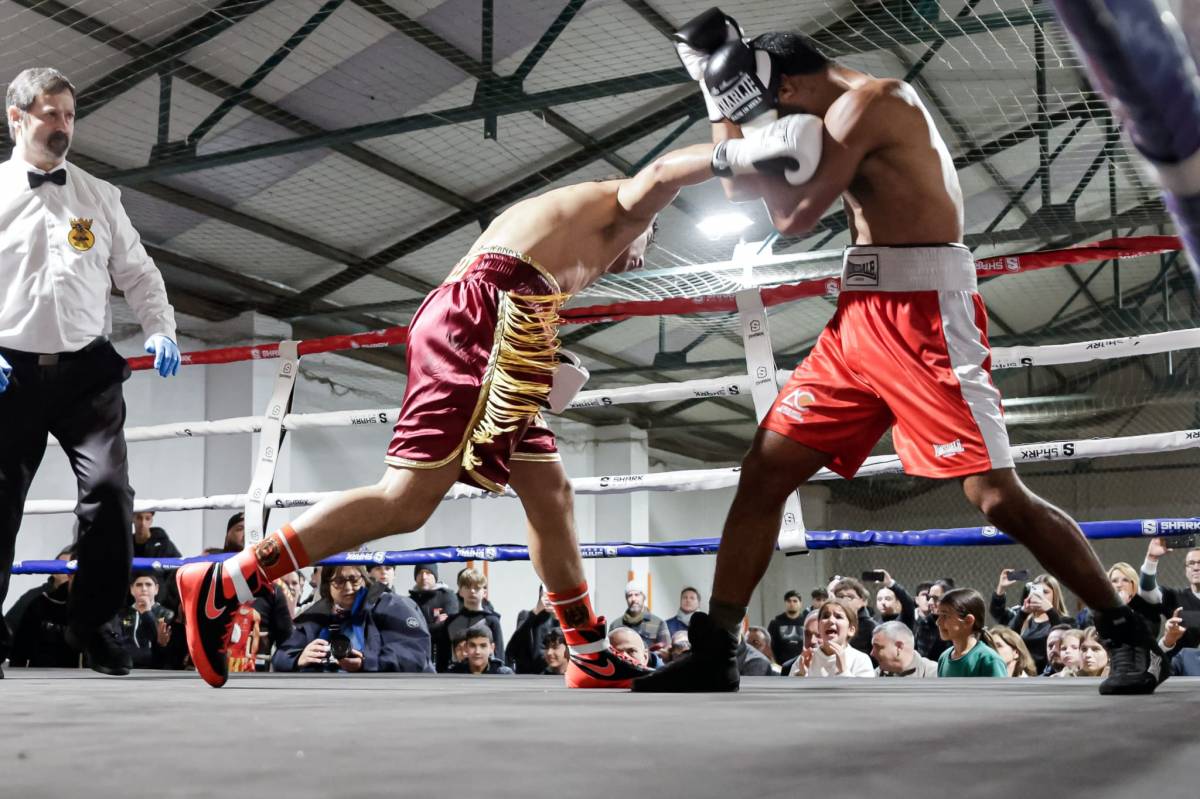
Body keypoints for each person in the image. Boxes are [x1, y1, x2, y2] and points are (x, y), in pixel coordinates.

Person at [634, 9, 1165, 696]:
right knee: (763, 470)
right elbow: (748, 189)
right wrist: (714, 98)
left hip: (926, 320)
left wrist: (721, 145)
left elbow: (791, 217)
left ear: (787, 87)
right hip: (858, 321)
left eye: (763, 104)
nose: (765, 117)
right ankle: (716, 648)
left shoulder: (873, 104)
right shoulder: (822, 118)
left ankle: (1130, 630)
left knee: (996, 496)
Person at [176, 127, 818, 689]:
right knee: (406, 500)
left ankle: (588, 651)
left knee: (549, 490)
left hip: (506, 328)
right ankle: (226, 581)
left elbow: (527, 286)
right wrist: (753, 150)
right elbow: (661, 173)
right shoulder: (623, 208)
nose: (641, 256)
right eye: (650, 239)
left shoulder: (567, 238)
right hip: (481, 321)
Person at [0, 67, 180, 678]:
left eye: (70, 115)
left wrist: (160, 328)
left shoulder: (100, 195)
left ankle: (96, 622)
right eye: (51, 114)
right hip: (8, 375)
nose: (63, 127)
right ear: (17, 117)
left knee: (110, 495)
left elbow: (139, 273)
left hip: (86, 372)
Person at [273, 565, 433, 674]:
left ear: (365, 579)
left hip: (390, 695)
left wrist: (366, 663)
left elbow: (415, 654)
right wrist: (298, 658)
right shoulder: (317, 613)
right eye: (339, 581)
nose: (348, 588)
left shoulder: (392, 606)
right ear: (327, 585)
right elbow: (282, 655)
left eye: (354, 579)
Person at [989, 572, 1070, 674]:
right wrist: (1023, 612)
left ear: (1055, 595)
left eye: (1045, 592)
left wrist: (1050, 611)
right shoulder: (1021, 616)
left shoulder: (1066, 621)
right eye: (1035, 591)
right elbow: (1009, 637)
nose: (1040, 595)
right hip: (1022, 673)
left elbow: (1062, 638)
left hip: (1050, 674)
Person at [433, 568, 505, 673]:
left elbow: (499, 658)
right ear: (460, 591)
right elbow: (442, 657)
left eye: (477, 588)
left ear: (484, 592)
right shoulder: (451, 622)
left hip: (487, 678)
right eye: (467, 587)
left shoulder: (492, 621)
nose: (472, 591)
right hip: (456, 677)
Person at [788, 599, 874, 678]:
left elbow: (863, 694)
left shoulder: (861, 660)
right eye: (825, 616)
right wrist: (800, 675)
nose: (831, 620)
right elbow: (788, 693)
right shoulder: (805, 659)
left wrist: (843, 671)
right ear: (819, 627)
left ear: (851, 630)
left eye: (838, 617)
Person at [934, 589, 1007, 678]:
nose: (938, 622)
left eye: (945, 616)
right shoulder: (944, 658)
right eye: (939, 616)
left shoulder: (989, 660)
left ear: (968, 621)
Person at [114, 573, 174, 669]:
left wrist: (147, 612)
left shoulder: (166, 614)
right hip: (127, 666)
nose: (144, 589)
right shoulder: (122, 614)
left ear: (156, 589)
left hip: (156, 668)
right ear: (132, 590)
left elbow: (159, 640)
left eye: (148, 584)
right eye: (139, 585)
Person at [504, 585, 560, 674]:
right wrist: (536, 611)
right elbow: (512, 648)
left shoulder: (560, 620)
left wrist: (558, 616)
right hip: (526, 675)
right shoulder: (526, 616)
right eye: (547, 593)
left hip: (550, 676)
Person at [609, 580, 671, 654]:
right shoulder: (615, 625)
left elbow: (667, 652)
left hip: (650, 665)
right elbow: (609, 651)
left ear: (644, 597)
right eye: (629, 595)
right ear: (626, 599)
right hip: (622, 664)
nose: (633, 599)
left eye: (637, 595)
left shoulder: (658, 623)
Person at [871, 621, 937, 678]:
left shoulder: (934, 673)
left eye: (878, 647)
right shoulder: (875, 675)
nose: (872, 653)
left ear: (899, 647)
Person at [408, 563, 458, 631]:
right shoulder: (409, 601)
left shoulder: (447, 596)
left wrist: (421, 626)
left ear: (435, 577)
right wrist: (436, 624)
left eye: (428, 573)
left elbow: (451, 625)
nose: (424, 577)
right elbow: (410, 628)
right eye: (420, 573)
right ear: (415, 577)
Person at [448, 626, 513, 675]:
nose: (477, 652)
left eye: (483, 646)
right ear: (466, 648)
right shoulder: (453, 673)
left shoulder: (503, 674)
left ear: (492, 648)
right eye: (472, 646)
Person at [766, 589, 806, 664]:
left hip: (802, 665)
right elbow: (768, 645)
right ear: (785, 603)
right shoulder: (775, 623)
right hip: (780, 667)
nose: (792, 603)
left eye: (795, 601)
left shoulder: (806, 623)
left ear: (800, 603)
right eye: (789, 601)